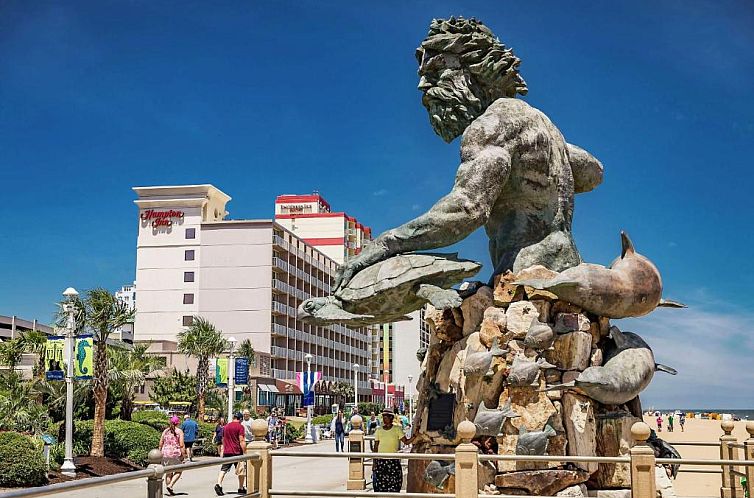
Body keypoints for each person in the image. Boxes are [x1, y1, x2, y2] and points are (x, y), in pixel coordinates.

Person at [373, 408, 414, 492]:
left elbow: (406, 442)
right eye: (383, 417)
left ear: (391, 418)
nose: (384, 419)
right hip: (381, 461)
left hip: (393, 461)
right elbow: (376, 447)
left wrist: (415, 437)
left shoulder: (397, 429)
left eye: (386, 417)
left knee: (395, 484)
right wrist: (374, 462)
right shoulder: (379, 430)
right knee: (382, 485)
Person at [215, 412, 247, 496]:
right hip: (237, 452)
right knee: (241, 470)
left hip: (227, 451)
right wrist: (245, 452)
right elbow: (241, 440)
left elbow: (223, 439)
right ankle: (241, 488)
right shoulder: (240, 427)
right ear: (240, 419)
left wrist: (223, 448)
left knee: (223, 469)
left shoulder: (226, 426)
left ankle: (219, 484)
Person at [159, 415, 186, 496]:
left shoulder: (165, 431)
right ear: (178, 423)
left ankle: (169, 487)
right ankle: (170, 485)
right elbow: (181, 444)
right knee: (179, 470)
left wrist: (160, 452)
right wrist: (183, 455)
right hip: (175, 453)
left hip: (165, 453)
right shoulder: (179, 431)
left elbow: (161, 442)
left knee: (168, 472)